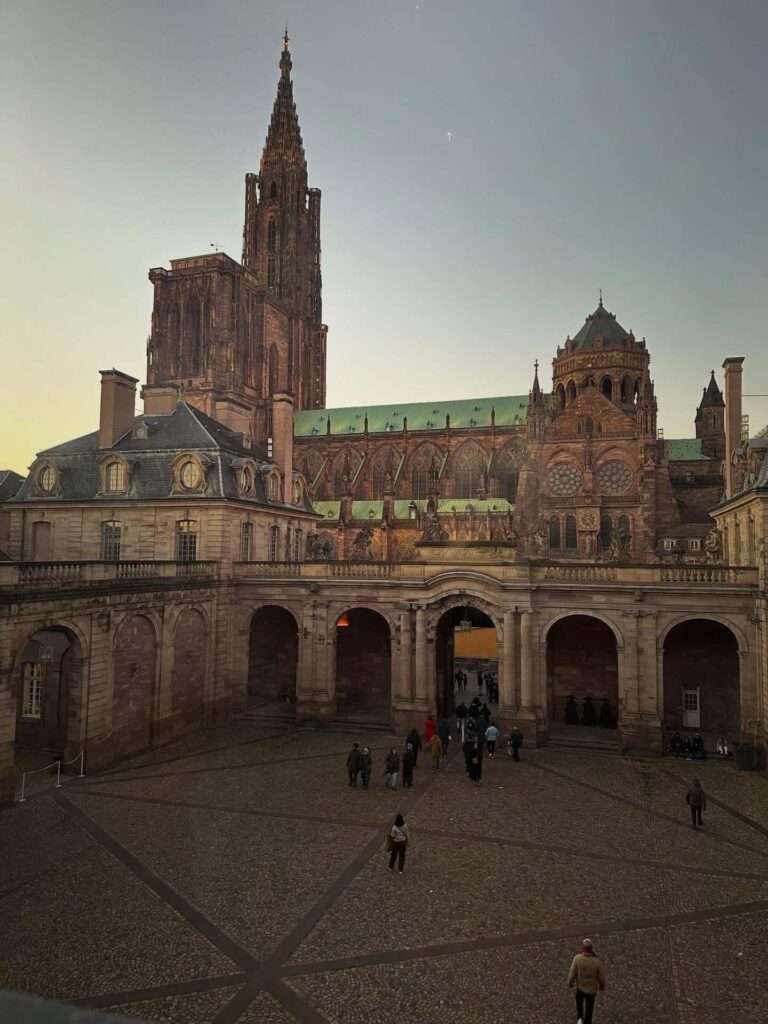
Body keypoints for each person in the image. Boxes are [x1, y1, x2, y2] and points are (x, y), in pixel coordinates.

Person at [567, 938, 605, 1024]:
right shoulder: (596, 962)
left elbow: (572, 973)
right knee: (589, 1007)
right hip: (591, 990)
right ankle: (587, 1021)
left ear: (583, 947)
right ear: (591, 948)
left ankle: (580, 1018)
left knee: (579, 1002)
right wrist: (602, 986)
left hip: (580, 987)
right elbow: (601, 977)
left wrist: (570, 983)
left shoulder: (577, 958)